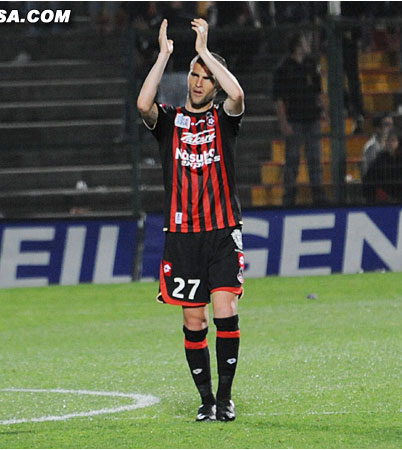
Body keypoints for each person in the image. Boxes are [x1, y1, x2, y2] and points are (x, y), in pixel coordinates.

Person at [136, 17, 244, 422]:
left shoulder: (224, 120)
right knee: (193, 319)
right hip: (181, 236)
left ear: (213, 86)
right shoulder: (169, 121)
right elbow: (143, 105)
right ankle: (206, 400)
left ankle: (226, 396)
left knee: (224, 311)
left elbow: (238, 94)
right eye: (194, 75)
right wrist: (165, 55)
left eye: (204, 77)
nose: (198, 82)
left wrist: (204, 51)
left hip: (221, 231)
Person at [273, 33, 326, 206]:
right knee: (292, 160)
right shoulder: (283, 69)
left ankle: (318, 196)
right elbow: (278, 98)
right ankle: (289, 197)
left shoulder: (311, 65)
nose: (308, 45)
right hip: (294, 119)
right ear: (297, 46)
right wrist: (283, 122)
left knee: (315, 159)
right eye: (304, 42)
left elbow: (318, 92)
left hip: (312, 118)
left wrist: (323, 111)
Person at [362, 128, 402, 203]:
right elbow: (368, 181)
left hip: (399, 198)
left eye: (393, 140)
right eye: (387, 140)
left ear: (398, 142)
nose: (390, 143)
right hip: (383, 200)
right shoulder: (379, 160)